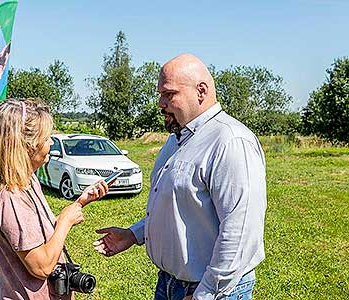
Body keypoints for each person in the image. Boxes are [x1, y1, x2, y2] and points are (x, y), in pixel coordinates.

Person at [94, 54, 267, 300]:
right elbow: (179, 209)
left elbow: (240, 231)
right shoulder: (177, 139)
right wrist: (134, 234)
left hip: (213, 291)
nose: (160, 103)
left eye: (169, 94)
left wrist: (206, 293)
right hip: (169, 284)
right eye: (160, 95)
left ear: (201, 91)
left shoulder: (230, 141)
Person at [0, 98, 108, 300]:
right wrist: (65, 221)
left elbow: (36, 236)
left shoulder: (27, 181)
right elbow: (41, 266)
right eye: (46, 138)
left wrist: (79, 203)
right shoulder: (10, 198)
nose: (51, 143)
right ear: (26, 146)